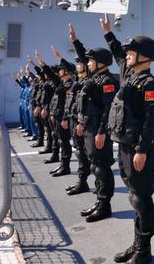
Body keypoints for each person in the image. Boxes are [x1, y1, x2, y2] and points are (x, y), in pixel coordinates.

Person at [98, 13, 154, 264]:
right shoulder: (129, 75)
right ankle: (137, 244)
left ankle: (144, 250)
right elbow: (117, 52)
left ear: (144, 57)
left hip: (138, 150)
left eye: (132, 52)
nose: (126, 56)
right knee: (134, 199)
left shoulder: (150, 84)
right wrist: (107, 33)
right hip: (124, 148)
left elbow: (152, 120)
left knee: (142, 200)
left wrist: (142, 149)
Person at [69, 23, 119, 222]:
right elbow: (83, 57)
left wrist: (101, 132)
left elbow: (108, 110)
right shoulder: (94, 78)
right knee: (95, 166)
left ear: (101, 63)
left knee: (102, 168)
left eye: (91, 61)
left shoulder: (107, 82)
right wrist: (75, 41)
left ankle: (105, 205)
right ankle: (99, 200)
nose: (87, 64)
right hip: (89, 129)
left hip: (99, 132)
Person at [36, 48, 75, 177]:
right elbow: (51, 75)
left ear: (67, 71)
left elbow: (68, 103)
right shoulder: (61, 82)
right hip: (56, 115)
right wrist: (42, 64)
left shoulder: (70, 84)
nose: (59, 71)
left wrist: (64, 118)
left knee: (63, 141)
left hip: (62, 117)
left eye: (61, 69)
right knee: (57, 139)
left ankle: (66, 166)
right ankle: (61, 164)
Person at [63, 56, 92, 195]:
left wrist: (81, 122)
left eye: (80, 63)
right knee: (79, 151)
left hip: (82, 122)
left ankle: (83, 182)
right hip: (74, 120)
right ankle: (82, 181)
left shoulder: (87, 82)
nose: (78, 65)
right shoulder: (78, 81)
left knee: (83, 153)